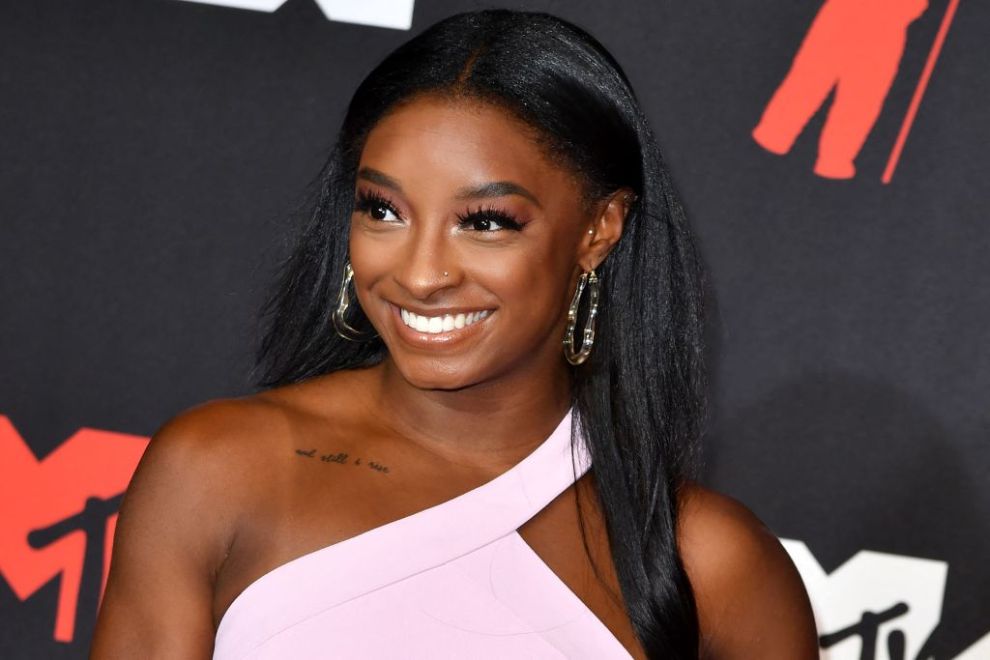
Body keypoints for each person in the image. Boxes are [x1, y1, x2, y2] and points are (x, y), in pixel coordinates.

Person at [90, 9, 818, 659]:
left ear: (598, 231)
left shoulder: (710, 564)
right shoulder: (218, 469)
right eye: (383, 212)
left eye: (486, 223)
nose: (422, 273)